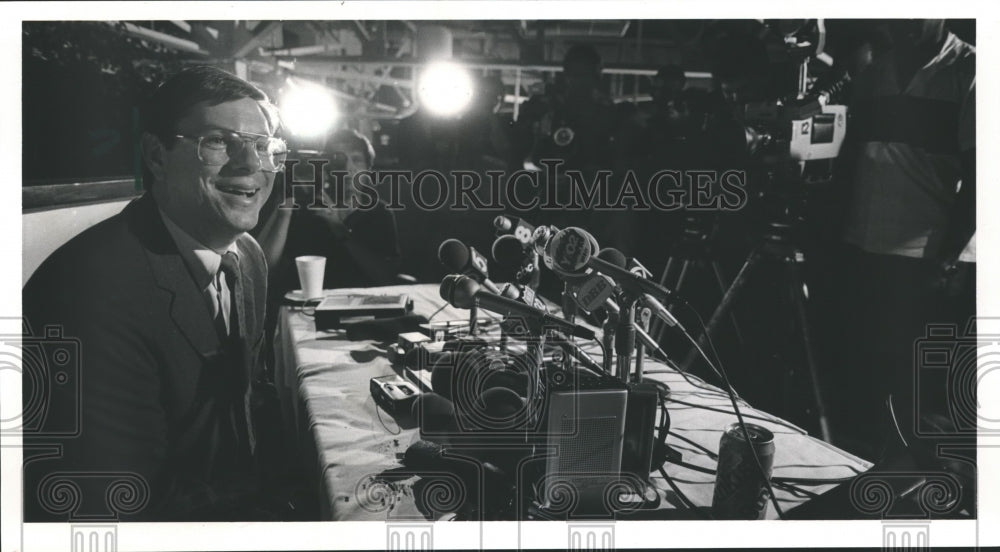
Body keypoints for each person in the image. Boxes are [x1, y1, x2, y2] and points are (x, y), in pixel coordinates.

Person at [23, 66, 290, 521]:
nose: (252, 165)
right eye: (220, 141)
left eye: (265, 147)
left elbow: (240, 412)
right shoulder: (87, 290)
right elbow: (109, 503)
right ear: (156, 155)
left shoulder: (247, 257)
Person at [837, 20, 975, 455]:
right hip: (864, 242)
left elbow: (981, 180)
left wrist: (948, 257)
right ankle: (866, 466)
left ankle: (926, 479)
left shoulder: (971, 70)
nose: (909, 20)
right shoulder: (876, 72)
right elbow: (853, 156)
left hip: (927, 253)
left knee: (919, 381)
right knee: (870, 365)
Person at [255, 128, 402, 295]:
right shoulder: (305, 208)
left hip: (364, 306)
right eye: (338, 159)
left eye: (356, 159)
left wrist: (339, 229)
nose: (347, 168)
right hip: (307, 308)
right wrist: (284, 211)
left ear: (368, 168)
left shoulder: (379, 212)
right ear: (325, 166)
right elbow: (260, 273)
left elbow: (386, 276)